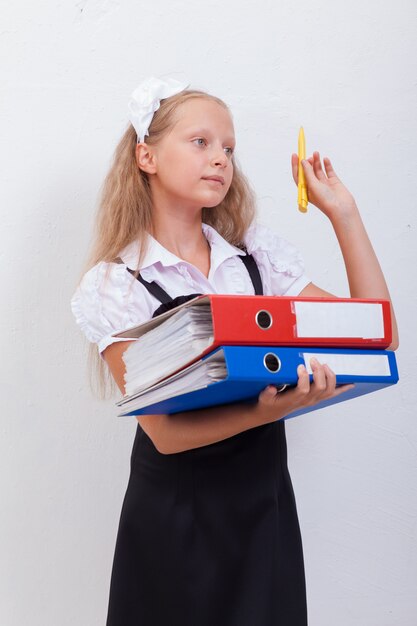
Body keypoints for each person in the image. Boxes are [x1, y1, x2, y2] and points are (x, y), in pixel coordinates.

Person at [70, 76, 399, 626]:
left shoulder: (255, 262)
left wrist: (343, 213)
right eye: (200, 142)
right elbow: (166, 434)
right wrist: (269, 410)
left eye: (228, 148)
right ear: (146, 155)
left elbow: (376, 335)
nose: (220, 159)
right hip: (174, 517)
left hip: (262, 507)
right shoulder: (114, 285)